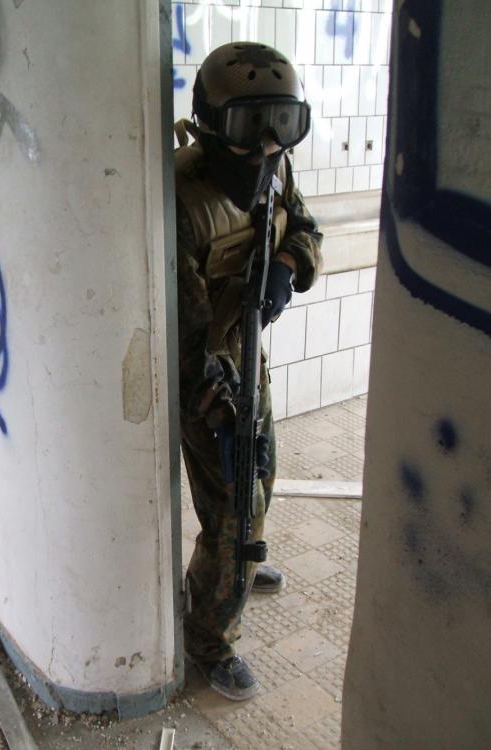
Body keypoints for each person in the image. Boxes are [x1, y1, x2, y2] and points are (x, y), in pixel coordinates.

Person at [175, 42, 323, 701]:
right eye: (247, 130)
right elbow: (183, 334)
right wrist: (219, 410)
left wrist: (286, 269)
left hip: (246, 349)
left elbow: (306, 229)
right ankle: (211, 639)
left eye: (280, 127)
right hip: (201, 368)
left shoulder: (276, 168)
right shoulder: (182, 198)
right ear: (211, 128)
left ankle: (238, 560)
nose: (265, 147)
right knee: (235, 505)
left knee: (264, 475)